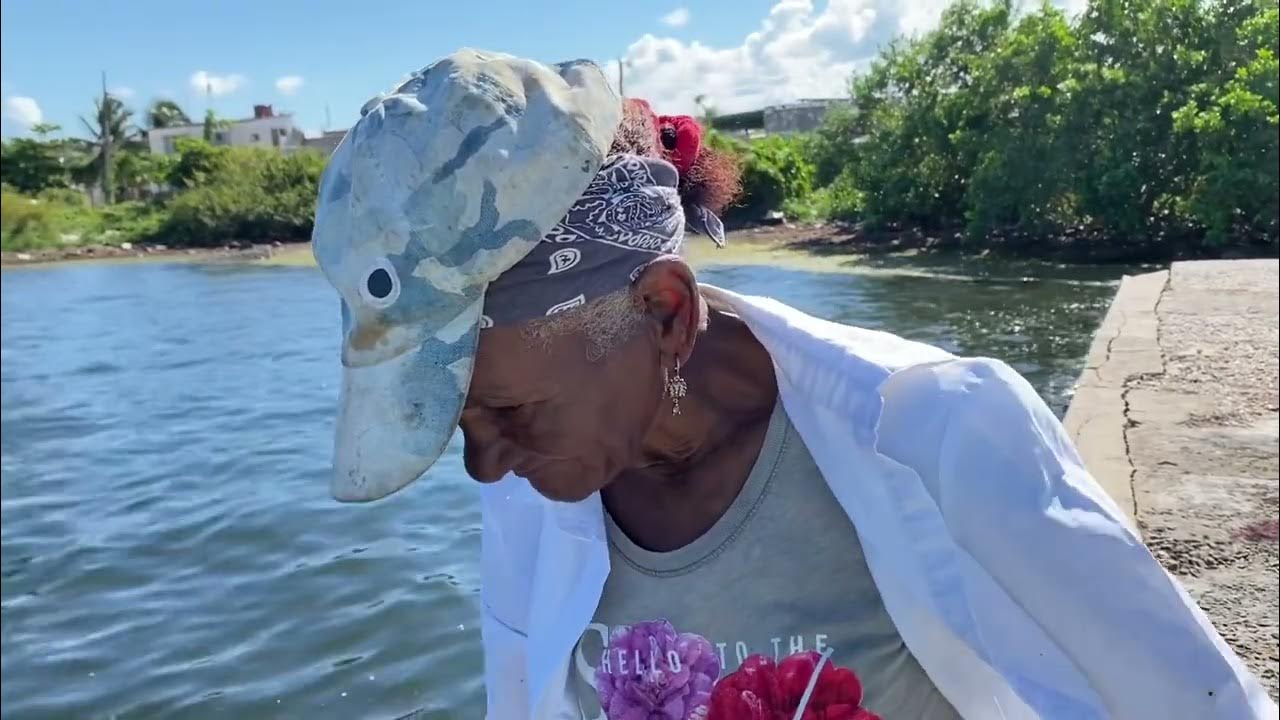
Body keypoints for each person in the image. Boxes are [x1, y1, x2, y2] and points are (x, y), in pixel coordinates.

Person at [310, 49, 1277, 720]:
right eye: (455, 418)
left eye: (507, 411)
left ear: (664, 312)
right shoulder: (539, 470)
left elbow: (1194, 702)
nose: (485, 464)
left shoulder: (940, 432)